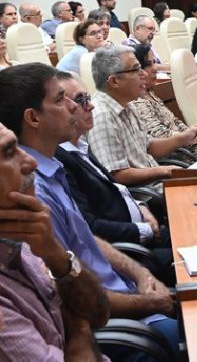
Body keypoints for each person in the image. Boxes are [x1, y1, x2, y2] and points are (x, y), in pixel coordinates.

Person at [0, 64, 181, 360]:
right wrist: (147, 303)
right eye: (61, 100)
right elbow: (85, 315)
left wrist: (139, 272)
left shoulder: (53, 168)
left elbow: (85, 237)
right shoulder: (30, 194)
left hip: (118, 304)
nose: (75, 107)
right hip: (122, 327)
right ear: (32, 118)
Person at [0, 122, 110, 361]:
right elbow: (86, 323)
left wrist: (54, 253)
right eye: (8, 152)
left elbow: (98, 315)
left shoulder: (23, 235)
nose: (31, 162)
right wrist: (80, 329)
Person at [55, 72, 173, 285]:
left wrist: (140, 206)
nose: (90, 106)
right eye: (80, 101)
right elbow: (90, 228)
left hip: (143, 229)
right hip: (132, 252)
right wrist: (145, 230)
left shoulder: (80, 145)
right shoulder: (61, 162)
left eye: (87, 98)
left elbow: (112, 186)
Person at [87, 46, 197, 191]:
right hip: (145, 195)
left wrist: (184, 137)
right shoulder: (101, 116)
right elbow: (116, 175)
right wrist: (164, 171)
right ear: (114, 81)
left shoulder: (128, 105)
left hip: (157, 184)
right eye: (135, 70)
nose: (143, 75)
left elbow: (149, 147)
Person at [133, 43, 197, 162]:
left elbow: (174, 121)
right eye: (148, 64)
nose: (155, 68)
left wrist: (193, 133)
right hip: (177, 153)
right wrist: (188, 136)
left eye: (154, 62)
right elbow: (159, 136)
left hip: (185, 144)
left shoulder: (150, 93)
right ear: (137, 71)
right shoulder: (138, 101)